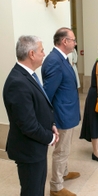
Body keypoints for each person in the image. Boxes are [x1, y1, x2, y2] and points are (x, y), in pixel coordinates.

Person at [3, 35, 59, 196]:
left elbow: (40, 107)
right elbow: (28, 124)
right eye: (42, 50)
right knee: (32, 191)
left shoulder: (29, 75)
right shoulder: (17, 82)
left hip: (36, 146)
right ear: (32, 54)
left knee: (38, 188)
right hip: (28, 149)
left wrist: (51, 125)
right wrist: (50, 137)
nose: (44, 53)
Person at [42, 27, 80, 196]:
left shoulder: (62, 58)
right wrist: (51, 119)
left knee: (66, 148)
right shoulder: (54, 61)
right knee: (61, 151)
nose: (75, 43)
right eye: (73, 40)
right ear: (65, 41)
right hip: (61, 114)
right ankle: (56, 187)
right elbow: (47, 94)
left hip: (68, 111)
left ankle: (63, 173)